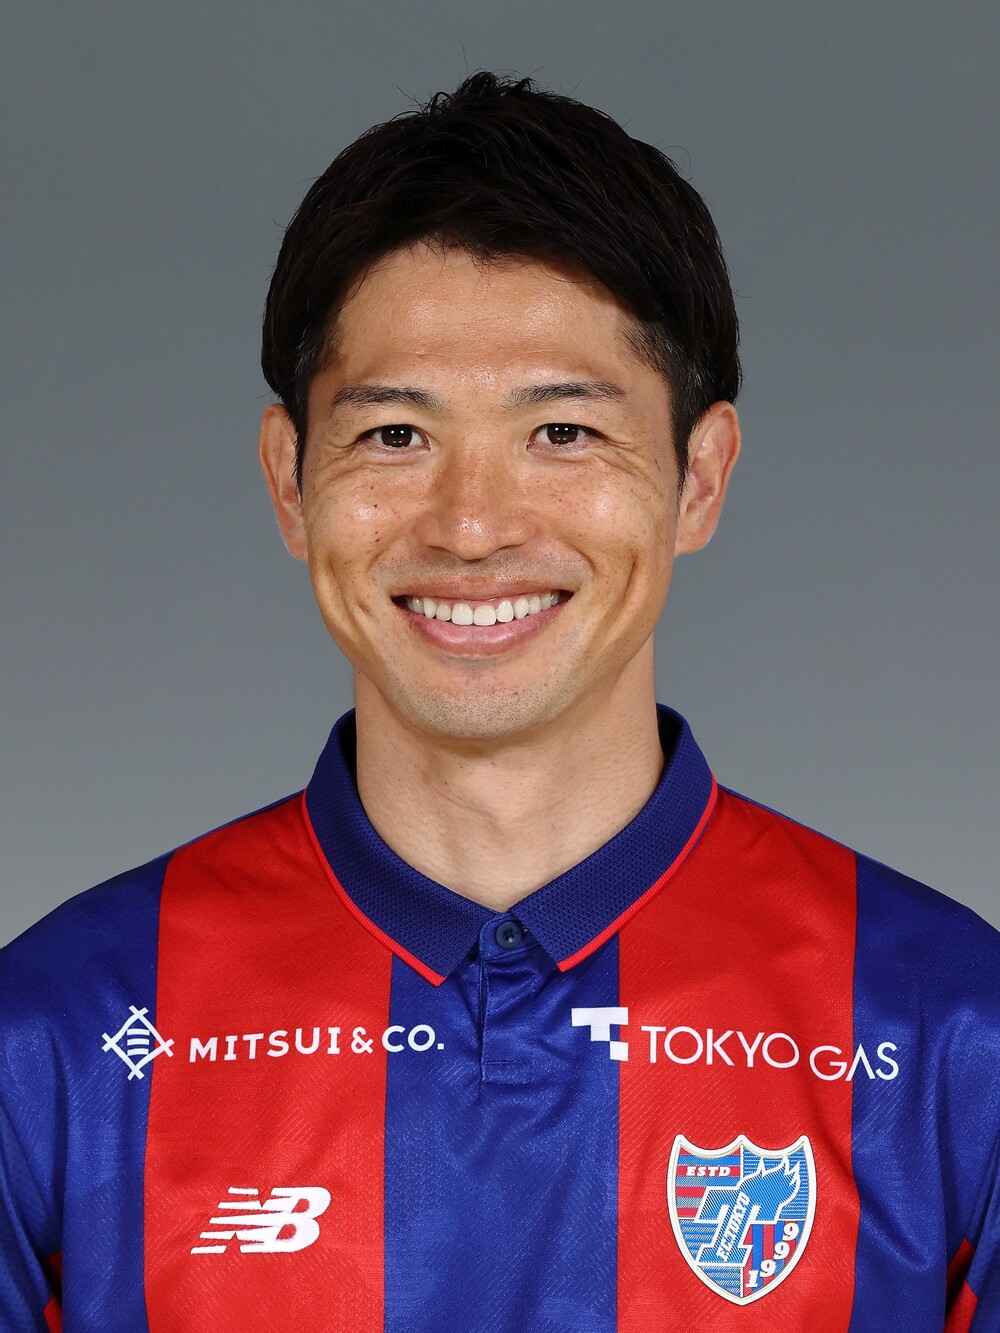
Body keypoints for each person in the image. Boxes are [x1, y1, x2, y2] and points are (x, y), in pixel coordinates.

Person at [0, 72, 997, 1333]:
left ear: (699, 478)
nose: (471, 525)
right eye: (395, 436)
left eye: (562, 432)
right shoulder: (58, 1035)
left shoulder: (950, 1032)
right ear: (289, 483)